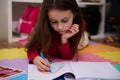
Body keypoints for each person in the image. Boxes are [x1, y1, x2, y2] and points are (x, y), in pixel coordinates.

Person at [25, 0, 89, 72]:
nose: (60, 27)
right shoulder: (43, 25)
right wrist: (35, 58)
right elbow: (32, 48)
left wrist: (64, 39)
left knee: (83, 42)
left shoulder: (79, 25)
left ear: (74, 14)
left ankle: (86, 34)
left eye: (65, 20)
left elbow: (68, 57)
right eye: (53, 21)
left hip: (77, 35)